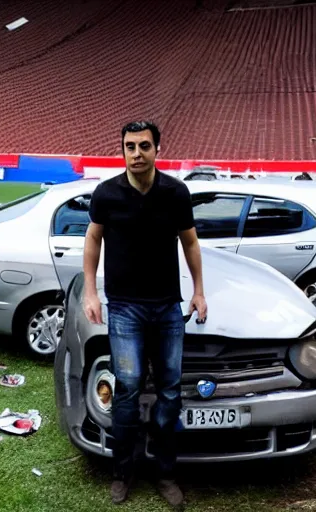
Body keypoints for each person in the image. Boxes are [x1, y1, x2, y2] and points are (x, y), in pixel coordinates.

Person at [82, 120, 207, 507]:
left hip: (168, 305)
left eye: (144, 146)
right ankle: (123, 472)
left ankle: (165, 473)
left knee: (170, 389)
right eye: (130, 146)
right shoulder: (107, 193)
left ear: (157, 149)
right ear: (122, 150)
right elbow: (92, 238)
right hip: (124, 307)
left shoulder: (175, 192)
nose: (137, 153)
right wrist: (91, 290)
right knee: (129, 384)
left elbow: (190, 242)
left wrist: (199, 290)